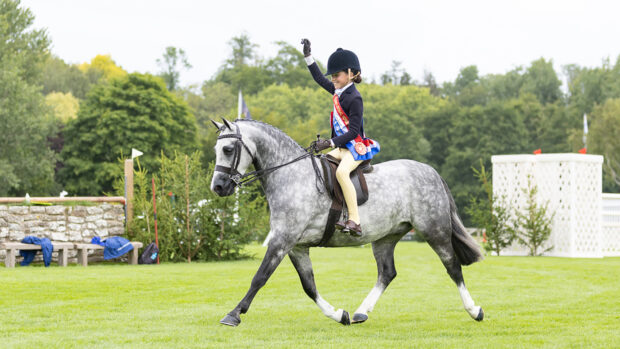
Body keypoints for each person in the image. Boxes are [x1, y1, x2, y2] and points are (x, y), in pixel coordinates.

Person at [301, 38, 380, 236]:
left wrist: (329, 142)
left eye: (337, 75)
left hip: (355, 147)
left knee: (342, 173)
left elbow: (353, 132)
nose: (333, 78)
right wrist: (308, 57)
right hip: (341, 148)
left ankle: (355, 220)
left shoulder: (355, 98)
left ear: (351, 74)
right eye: (333, 75)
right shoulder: (338, 91)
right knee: (318, 163)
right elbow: (319, 79)